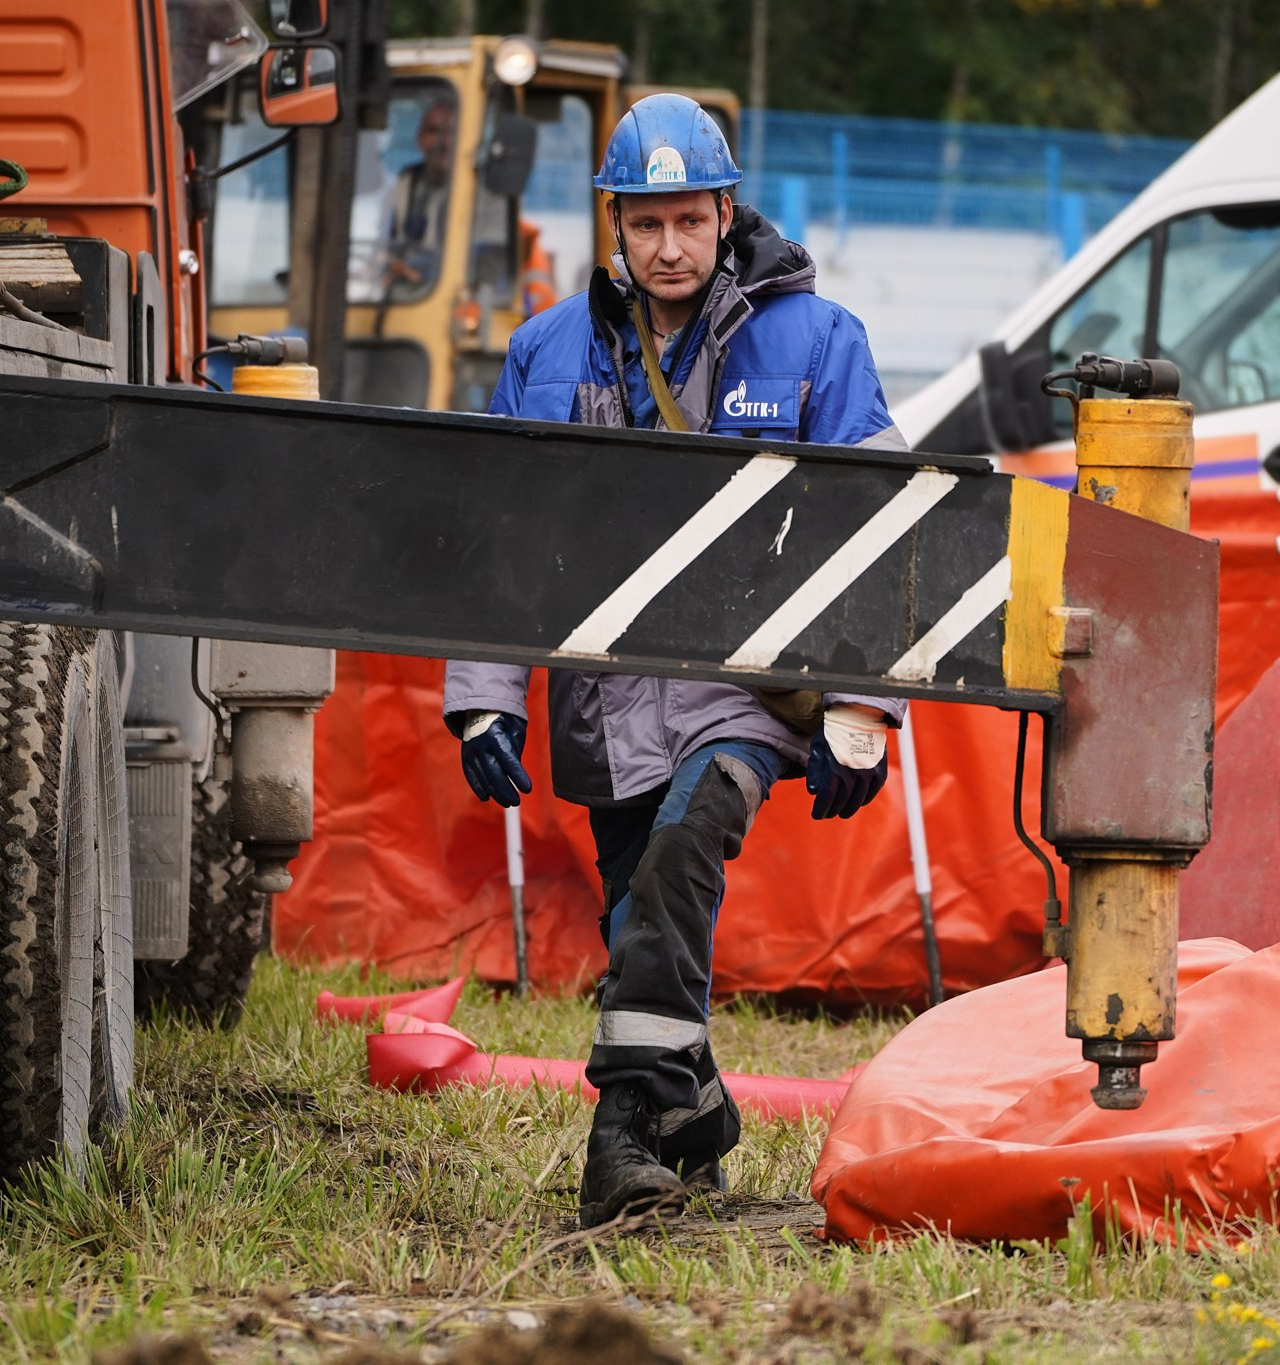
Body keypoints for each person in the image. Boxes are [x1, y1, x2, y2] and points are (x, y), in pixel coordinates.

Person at [442, 94, 907, 1228]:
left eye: (687, 222)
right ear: (614, 223)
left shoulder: (817, 343)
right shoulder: (541, 354)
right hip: (601, 706)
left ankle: (617, 1136)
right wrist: (482, 702)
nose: (666, 248)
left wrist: (857, 707)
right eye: (643, 224)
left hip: (745, 697)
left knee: (680, 855)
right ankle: (695, 1113)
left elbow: (883, 529)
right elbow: (505, 547)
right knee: (639, 921)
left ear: (723, 211)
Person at [382, 96, 455, 293]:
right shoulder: (404, 186)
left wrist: (420, 266)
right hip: (407, 300)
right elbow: (383, 248)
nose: (444, 142)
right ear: (419, 138)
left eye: (452, 132)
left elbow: (487, 263)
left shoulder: (488, 192)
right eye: (434, 131)